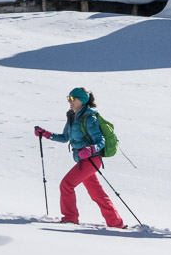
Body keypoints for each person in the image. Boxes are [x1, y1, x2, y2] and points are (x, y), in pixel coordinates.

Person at [35, 87, 124, 228]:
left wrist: (91, 149)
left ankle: (70, 218)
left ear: (81, 100)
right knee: (97, 194)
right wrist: (46, 134)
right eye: (68, 98)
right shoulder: (72, 116)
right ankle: (116, 223)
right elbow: (65, 137)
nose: (69, 101)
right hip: (83, 160)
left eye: (72, 99)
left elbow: (101, 141)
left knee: (66, 184)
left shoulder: (90, 118)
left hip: (91, 160)